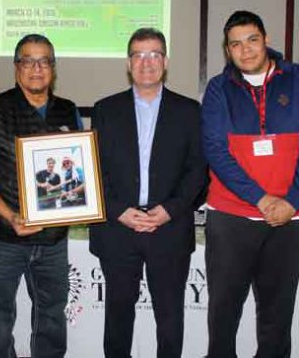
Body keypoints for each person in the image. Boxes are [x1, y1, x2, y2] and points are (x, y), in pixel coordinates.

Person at [201, 10, 299, 357]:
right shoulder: (218, 88)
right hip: (230, 216)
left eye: (252, 40)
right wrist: (261, 198)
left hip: (288, 217)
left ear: (266, 40)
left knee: (276, 317)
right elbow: (215, 150)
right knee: (222, 316)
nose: (246, 50)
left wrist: (292, 200)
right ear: (228, 50)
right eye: (236, 44)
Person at [0, 34, 83, 358]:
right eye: (28, 60)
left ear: (53, 69)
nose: (36, 68)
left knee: (53, 315)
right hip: (3, 237)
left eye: (44, 61)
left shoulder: (69, 111)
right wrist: (9, 214)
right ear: (17, 68)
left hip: (54, 240)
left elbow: (78, 174)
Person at [90, 27, 206, 358]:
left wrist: (170, 209)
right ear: (129, 64)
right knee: (117, 318)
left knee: (169, 320)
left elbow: (197, 170)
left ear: (165, 61)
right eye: (138, 55)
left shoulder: (189, 112)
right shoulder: (105, 110)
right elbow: (94, 170)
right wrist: (118, 210)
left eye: (154, 54)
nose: (146, 62)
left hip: (168, 228)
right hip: (118, 228)